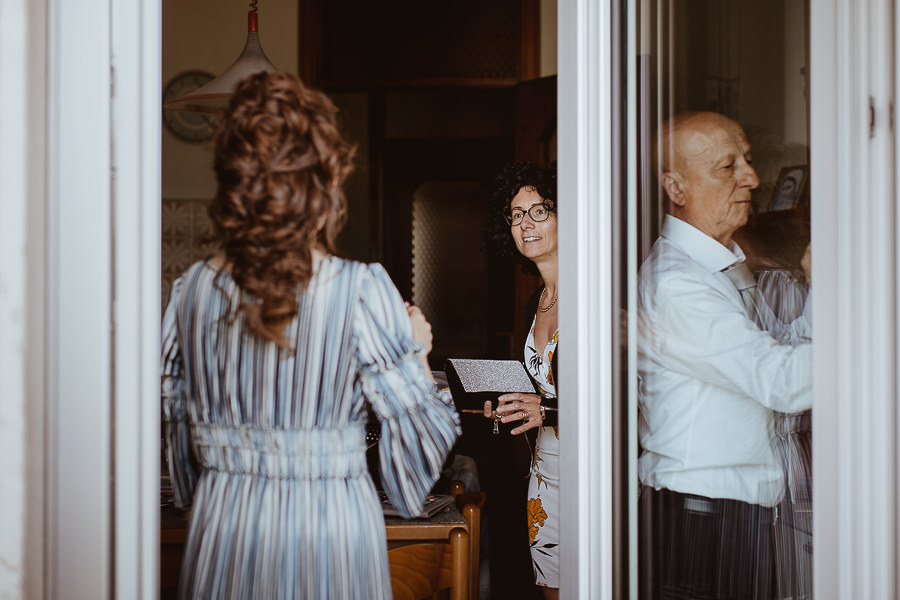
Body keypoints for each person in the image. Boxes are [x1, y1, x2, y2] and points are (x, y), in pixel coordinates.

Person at [161, 71, 460, 599]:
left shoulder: (190, 292)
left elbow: (180, 459)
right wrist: (416, 351)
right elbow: (412, 469)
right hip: (330, 543)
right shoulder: (361, 290)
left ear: (232, 182)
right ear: (324, 182)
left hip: (222, 538)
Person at [637, 111, 812, 600]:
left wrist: (819, 288)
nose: (752, 179)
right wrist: (872, 343)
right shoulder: (680, 284)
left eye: (749, 162)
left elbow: (784, 354)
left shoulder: (718, 268)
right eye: (727, 167)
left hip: (727, 515)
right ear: (677, 187)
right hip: (704, 523)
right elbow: (781, 382)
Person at [484, 161, 560, 599]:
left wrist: (544, 410)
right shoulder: (538, 301)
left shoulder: (598, 296)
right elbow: (541, 392)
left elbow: (626, 398)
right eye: (516, 214)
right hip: (543, 477)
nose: (525, 224)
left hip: (594, 474)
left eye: (539, 210)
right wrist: (506, 402)